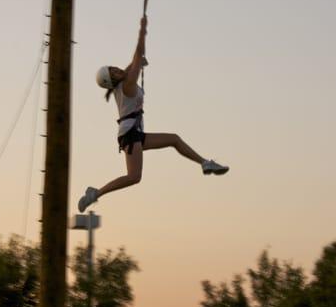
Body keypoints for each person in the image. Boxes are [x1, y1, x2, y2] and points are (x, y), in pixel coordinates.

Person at [78, 16, 229, 212]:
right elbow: (136, 56)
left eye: (114, 68)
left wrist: (138, 62)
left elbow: (130, 66)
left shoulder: (122, 83)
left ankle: (204, 164)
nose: (117, 70)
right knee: (134, 177)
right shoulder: (127, 86)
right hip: (130, 134)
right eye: (113, 72)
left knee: (174, 139)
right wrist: (142, 30)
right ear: (112, 81)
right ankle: (95, 193)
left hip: (135, 133)